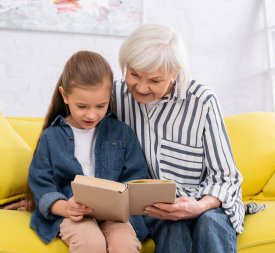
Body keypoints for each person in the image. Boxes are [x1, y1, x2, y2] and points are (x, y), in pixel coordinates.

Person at [113, 24, 245, 253]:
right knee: (173, 229)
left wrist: (199, 206)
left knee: (209, 225)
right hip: (155, 210)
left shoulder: (202, 101)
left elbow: (226, 178)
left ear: (175, 73)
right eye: (133, 74)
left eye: (154, 81)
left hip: (206, 202)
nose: (141, 87)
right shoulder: (115, 96)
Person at [27, 50, 147, 253]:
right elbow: (41, 183)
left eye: (101, 106)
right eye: (82, 106)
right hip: (70, 212)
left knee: (124, 243)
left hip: (113, 215)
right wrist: (63, 207)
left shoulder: (122, 133)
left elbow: (136, 178)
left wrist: (121, 203)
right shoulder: (51, 137)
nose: (92, 114)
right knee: (91, 243)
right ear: (64, 95)